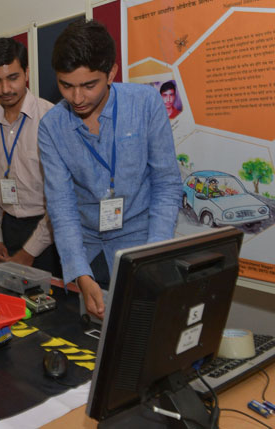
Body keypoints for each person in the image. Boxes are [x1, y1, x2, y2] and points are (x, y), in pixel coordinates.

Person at [38, 20, 182, 319]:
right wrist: (80, 272)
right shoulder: (51, 127)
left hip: (141, 245)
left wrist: (153, 257)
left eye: (89, 85)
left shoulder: (145, 104)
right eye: (66, 85)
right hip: (87, 252)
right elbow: (61, 205)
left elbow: (166, 184)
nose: (77, 98)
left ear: (112, 73)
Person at [0, 37, 61, 276]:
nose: (5, 89)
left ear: (26, 73)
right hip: (9, 228)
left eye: (12, 78)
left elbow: (61, 197)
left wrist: (30, 251)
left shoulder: (51, 118)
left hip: (50, 232)